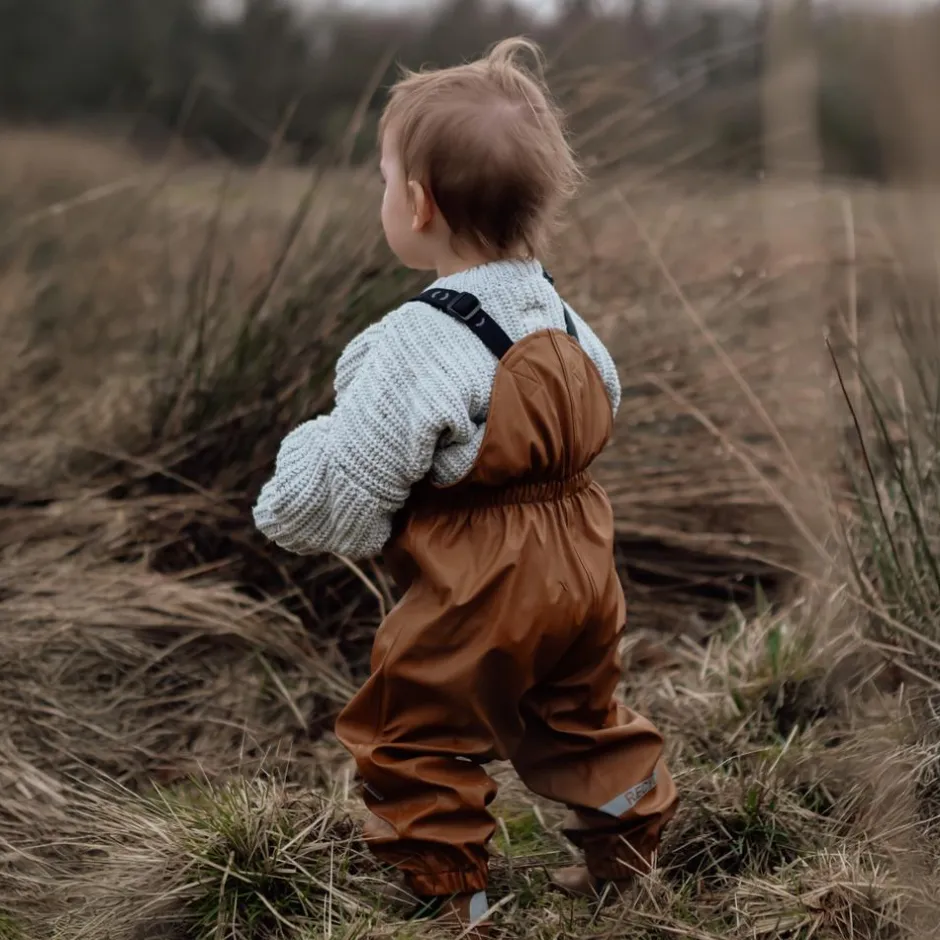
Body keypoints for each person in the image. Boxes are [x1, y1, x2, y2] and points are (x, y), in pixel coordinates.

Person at [253, 37, 678, 938]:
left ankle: (455, 901)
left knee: (415, 727)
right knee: (577, 710)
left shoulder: (418, 341)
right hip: (582, 564)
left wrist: (292, 486)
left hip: (481, 582)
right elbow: (604, 396)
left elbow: (351, 472)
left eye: (382, 180)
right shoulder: (560, 313)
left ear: (416, 203)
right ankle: (630, 849)